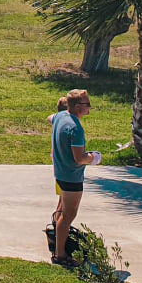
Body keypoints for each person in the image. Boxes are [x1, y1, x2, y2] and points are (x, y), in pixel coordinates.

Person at [50, 89, 102, 268]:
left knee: (61, 208)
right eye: (87, 104)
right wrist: (93, 158)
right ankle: (60, 254)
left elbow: (50, 118)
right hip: (71, 176)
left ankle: (55, 237)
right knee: (68, 214)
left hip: (59, 172)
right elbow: (79, 158)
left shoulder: (60, 117)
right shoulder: (75, 129)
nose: (90, 107)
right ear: (78, 107)